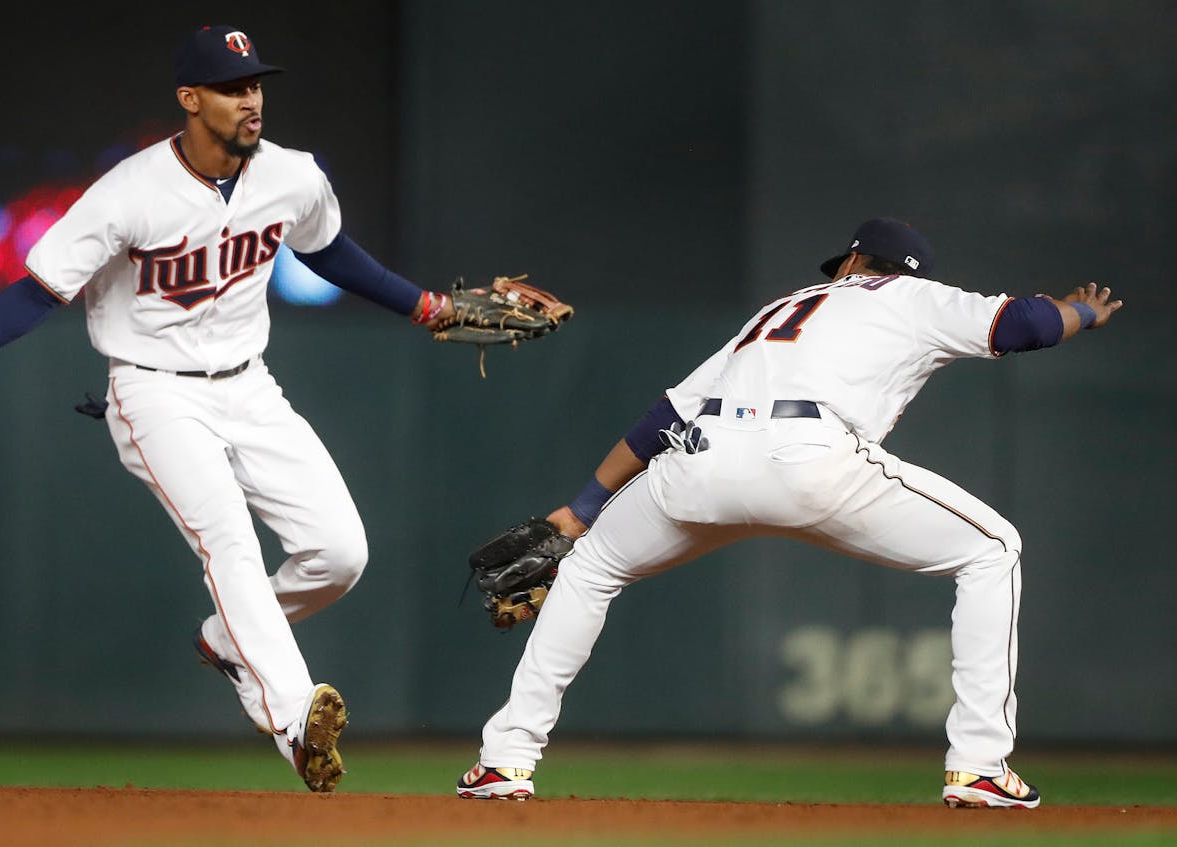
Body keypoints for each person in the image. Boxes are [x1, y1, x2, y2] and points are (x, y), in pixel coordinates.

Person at [0, 24, 461, 793]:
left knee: (340, 553)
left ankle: (225, 639)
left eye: (256, 84)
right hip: (152, 388)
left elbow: (330, 252)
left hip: (249, 383)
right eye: (233, 88)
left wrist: (427, 307)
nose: (251, 100)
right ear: (190, 98)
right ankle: (296, 720)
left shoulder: (292, 175)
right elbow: (42, 289)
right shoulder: (129, 192)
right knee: (228, 543)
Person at [456, 218, 1123, 807]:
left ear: (857, 262)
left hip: (702, 461)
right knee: (993, 549)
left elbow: (667, 415)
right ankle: (978, 765)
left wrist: (581, 511)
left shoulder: (783, 308)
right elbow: (1029, 324)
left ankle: (504, 758)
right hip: (810, 459)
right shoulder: (919, 297)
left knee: (591, 565)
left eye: (845, 264)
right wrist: (1083, 312)